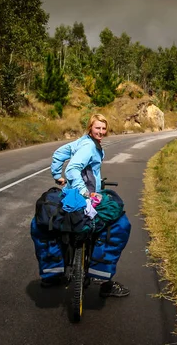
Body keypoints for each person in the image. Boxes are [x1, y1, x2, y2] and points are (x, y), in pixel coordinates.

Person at [46, 113, 130, 297]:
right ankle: (104, 278)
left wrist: (55, 175)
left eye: (103, 128)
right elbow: (72, 168)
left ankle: (56, 271)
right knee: (118, 225)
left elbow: (60, 153)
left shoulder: (81, 142)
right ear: (90, 128)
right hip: (84, 196)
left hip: (70, 194)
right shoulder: (88, 146)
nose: (101, 131)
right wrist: (86, 192)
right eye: (97, 128)